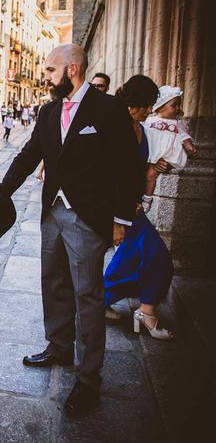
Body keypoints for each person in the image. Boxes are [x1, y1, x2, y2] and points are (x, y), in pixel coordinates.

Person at [0, 44, 141, 416]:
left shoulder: (108, 110)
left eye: (50, 70)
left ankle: (89, 378)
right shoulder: (48, 112)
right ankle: (59, 346)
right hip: (53, 214)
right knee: (54, 282)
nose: (45, 75)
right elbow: (29, 156)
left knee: (88, 296)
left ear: (72, 69)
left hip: (90, 218)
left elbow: (127, 168)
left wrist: (121, 220)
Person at [103, 75, 175, 339]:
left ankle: (106, 299)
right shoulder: (114, 125)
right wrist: (117, 218)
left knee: (134, 257)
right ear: (135, 102)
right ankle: (144, 312)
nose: (150, 110)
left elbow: (137, 169)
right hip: (118, 210)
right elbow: (109, 173)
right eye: (147, 104)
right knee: (158, 257)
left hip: (133, 209)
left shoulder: (142, 131)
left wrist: (155, 169)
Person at [140, 85, 197, 212]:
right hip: (151, 153)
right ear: (160, 106)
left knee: (150, 176)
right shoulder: (149, 120)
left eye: (178, 105)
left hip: (164, 155)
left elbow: (184, 137)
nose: (177, 108)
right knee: (144, 174)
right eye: (174, 105)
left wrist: (190, 148)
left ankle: (147, 199)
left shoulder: (177, 124)